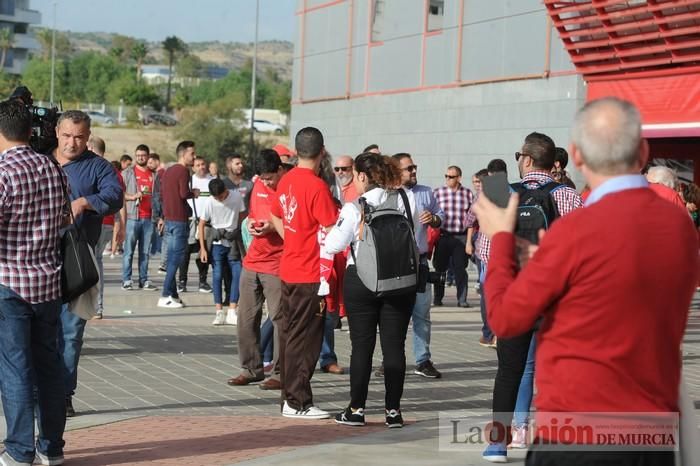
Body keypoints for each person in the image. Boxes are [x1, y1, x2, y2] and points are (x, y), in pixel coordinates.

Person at [474, 97, 699, 466]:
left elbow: (504, 318)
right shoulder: (679, 228)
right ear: (643, 151)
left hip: (575, 433)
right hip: (652, 435)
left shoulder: (574, 234)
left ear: (576, 156)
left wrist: (500, 240)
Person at [482, 132, 582, 462]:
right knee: (559, 370)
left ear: (525, 160)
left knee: (509, 371)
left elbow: (486, 251)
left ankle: (498, 443)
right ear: (550, 162)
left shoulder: (501, 193)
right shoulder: (568, 194)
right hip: (556, 300)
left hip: (515, 296)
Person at [324, 152, 418, 428]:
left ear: (362, 176)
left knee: (362, 347)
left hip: (362, 281)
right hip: (401, 281)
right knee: (394, 347)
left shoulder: (355, 207)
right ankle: (393, 412)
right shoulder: (404, 199)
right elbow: (417, 238)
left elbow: (333, 246)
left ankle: (356, 409)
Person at [0, 99, 67, 466]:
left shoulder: (3, 172)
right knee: (49, 366)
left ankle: (19, 450)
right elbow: (63, 221)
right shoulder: (52, 168)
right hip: (48, 283)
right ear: (31, 131)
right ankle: (52, 448)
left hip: (9, 282)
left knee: (15, 369)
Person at [53, 110, 123, 418]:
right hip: (35, 260)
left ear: (88, 136)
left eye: (79, 137)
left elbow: (115, 195)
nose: (72, 143)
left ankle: (63, 394)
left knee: (70, 332)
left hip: (77, 262)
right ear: (57, 132)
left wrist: (84, 202)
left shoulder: (98, 167)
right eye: (67, 135)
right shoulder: (39, 159)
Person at [269, 127, 339, 420]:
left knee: (289, 335)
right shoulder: (317, 186)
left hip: (289, 268)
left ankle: (290, 397)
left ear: (296, 152)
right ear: (321, 152)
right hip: (309, 273)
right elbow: (333, 227)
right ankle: (297, 401)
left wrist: (290, 237)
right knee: (305, 339)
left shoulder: (286, 181)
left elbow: (275, 213)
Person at [227, 149, 286, 388]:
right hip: (253, 260)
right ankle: (251, 368)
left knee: (280, 319)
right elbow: (252, 214)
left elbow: (292, 225)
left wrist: (272, 227)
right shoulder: (258, 186)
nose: (266, 182)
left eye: (270, 177)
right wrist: (251, 223)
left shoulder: (288, 189)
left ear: (280, 170)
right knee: (246, 317)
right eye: (262, 178)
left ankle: (281, 373)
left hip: (277, 263)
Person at [392, 153, 445, 379]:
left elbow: (441, 216)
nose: (413, 172)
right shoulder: (388, 194)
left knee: (422, 314)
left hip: (421, 262)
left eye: (414, 167)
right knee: (393, 315)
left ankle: (422, 360)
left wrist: (433, 218)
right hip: (395, 265)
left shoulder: (425, 192)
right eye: (408, 168)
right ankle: (391, 360)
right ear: (396, 171)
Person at [158, 141, 200, 309]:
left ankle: (173, 295)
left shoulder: (168, 171)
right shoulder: (183, 171)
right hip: (179, 220)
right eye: (192, 154)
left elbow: (163, 195)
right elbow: (183, 193)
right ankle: (165, 295)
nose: (194, 157)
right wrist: (194, 193)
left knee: (172, 257)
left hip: (168, 219)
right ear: (183, 155)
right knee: (176, 258)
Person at [198, 178, 245, 325]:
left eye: (222, 196)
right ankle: (219, 311)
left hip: (232, 241)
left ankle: (232, 309)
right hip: (217, 242)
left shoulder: (236, 196)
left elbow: (243, 216)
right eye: (217, 197)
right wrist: (203, 248)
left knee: (237, 273)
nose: (220, 199)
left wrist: (240, 235)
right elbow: (201, 224)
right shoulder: (209, 202)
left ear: (226, 190)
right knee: (217, 275)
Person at [433, 165, 473, 307]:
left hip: (460, 238)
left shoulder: (468, 194)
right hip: (443, 236)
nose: (447, 179)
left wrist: (469, 241)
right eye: (446, 176)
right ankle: (438, 298)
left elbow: (471, 220)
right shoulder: (438, 193)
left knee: (460, 269)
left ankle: (462, 299)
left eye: (451, 177)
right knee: (440, 269)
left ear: (459, 178)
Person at [121, 144, 158, 291]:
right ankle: (127, 279)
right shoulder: (127, 173)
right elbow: (118, 193)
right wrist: (132, 196)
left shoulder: (153, 175)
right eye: (138, 156)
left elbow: (158, 197)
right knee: (129, 251)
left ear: (148, 156)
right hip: (132, 218)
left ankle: (143, 279)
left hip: (149, 218)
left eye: (143, 155)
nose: (140, 158)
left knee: (145, 252)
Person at [178, 156, 212, 294]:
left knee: (203, 252)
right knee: (185, 252)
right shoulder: (190, 181)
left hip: (208, 223)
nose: (201, 167)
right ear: (193, 167)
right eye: (197, 165)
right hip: (192, 220)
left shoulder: (213, 181)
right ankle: (182, 281)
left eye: (203, 164)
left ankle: (202, 282)